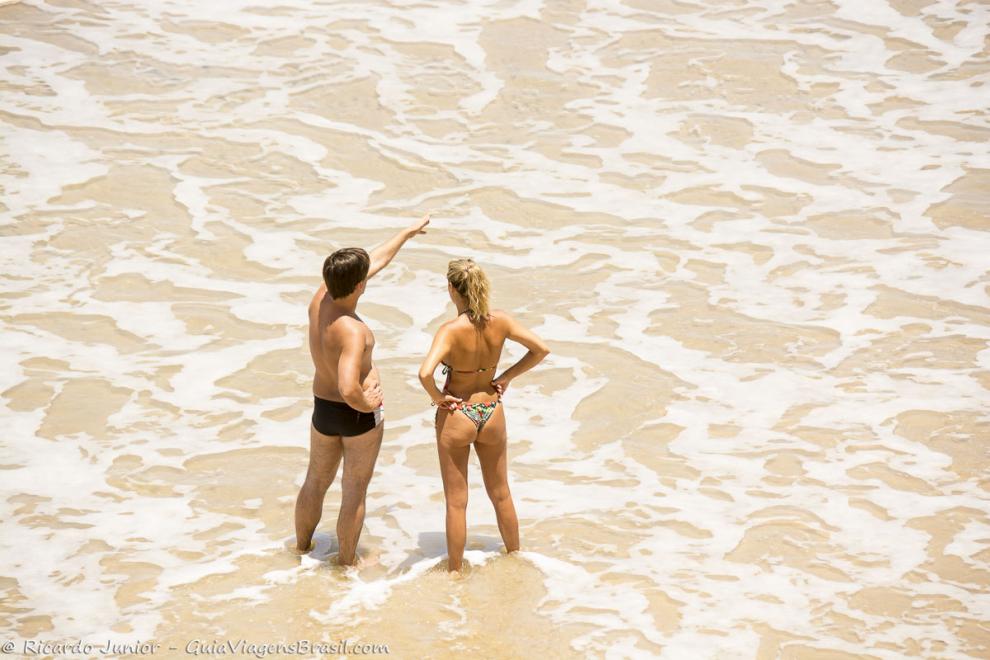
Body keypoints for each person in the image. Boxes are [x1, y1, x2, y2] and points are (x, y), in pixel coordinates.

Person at [294, 214, 430, 564]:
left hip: (322, 410)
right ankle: (346, 563)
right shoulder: (353, 331)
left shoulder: (320, 299)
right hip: (355, 416)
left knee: (315, 480)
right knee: (353, 489)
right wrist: (365, 404)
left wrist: (405, 233)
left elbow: (374, 261)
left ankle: (301, 548)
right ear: (359, 287)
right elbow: (347, 384)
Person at [418, 258, 550, 571]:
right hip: (491, 411)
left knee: (456, 501)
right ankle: (516, 558)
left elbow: (425, 374)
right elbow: (541, 349)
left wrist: (439, 399)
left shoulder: (450, 331)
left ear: (452, 289)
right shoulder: (500, 321)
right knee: (501, 493)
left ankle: (455, 572)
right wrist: (506, 377)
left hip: (458, 413)